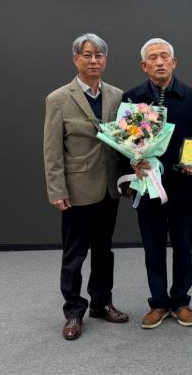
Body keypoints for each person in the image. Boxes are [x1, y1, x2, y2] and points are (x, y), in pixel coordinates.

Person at [43, 33, 128, 341]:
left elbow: (126, 141)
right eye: (88, 55)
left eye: (99, 55)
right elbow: (52, 150)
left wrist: (128, 178)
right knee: (74, 255)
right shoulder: (58, 99)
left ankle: (101, 303)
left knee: (104, 251)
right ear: (75, 59)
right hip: (76, 190)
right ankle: (73, 311)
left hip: (109, 188)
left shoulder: (117, 96)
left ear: (106, 60)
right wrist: (57, 190)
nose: (94, 61)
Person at [123, 38, 192, 330]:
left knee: (184, 247)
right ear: (143, 65)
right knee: (153, 248)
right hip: (148, 186)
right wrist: (133, 162)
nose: (159, 62)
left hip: (183, 186)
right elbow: (126, 142)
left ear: (174, 62)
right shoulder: (132, 98)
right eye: (152, 58)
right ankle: (158, 303)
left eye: (164, 56)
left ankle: (181, 301)